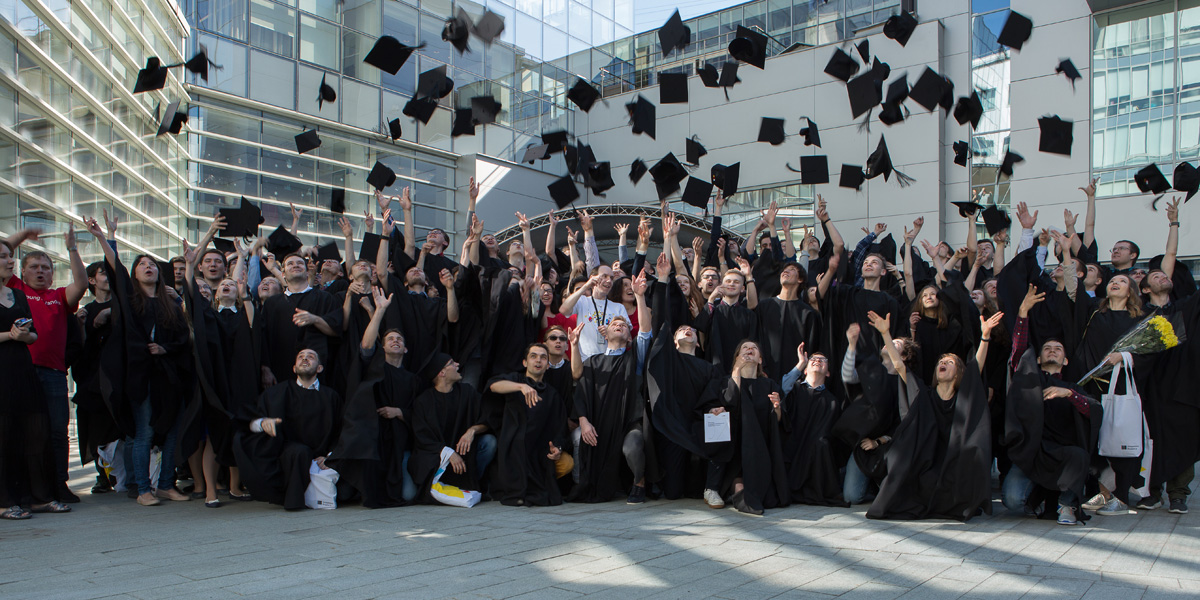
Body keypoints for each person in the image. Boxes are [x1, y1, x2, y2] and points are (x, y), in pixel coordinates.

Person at [87, 217, 193, 506]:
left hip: (168, 375)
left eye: (152, 264)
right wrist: (106, 237)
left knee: (172, 431)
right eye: (142, 264)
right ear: (134, 273)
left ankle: (166, 484)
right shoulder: (131, 301)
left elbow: (182, 338)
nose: (148, 267)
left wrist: (165, 349)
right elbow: (116, 271)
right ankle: (143, 489)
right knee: (144, 431)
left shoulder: (170, 305)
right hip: (141, 376)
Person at [866, 310, 1001, 521]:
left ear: (959, 373)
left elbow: (976, 368)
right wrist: (885, 334)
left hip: (954, 459)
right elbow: (899, 366)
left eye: (950, 362)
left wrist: (985, 337)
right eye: (940, 362)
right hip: (926, 461)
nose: (942, 364)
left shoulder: (963, 397)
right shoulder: (924, 393)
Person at [3, 224, 90, 502]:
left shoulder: (59, 297)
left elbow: (82, 284)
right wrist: (23, 235)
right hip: (22, 373)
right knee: (26, 432)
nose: (40, 271)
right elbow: (3, 251)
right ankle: (28, 488)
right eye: (34, 267)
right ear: (22, 272)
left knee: (57, 432)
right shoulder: (15, 290)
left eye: (46, 268)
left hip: (53, 375)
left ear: (53, 273)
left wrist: (72, 248)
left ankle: (59, 484)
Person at [1002, 285, 1099, 525]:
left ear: (1065, 360)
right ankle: (1039, 497)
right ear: (1038, 359)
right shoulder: (1028, 378)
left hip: (1063, 454)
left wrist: (1069, 395)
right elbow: (1018, 353)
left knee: (1079, 455)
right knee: (1013, 501)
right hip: (1032, 452)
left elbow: (1094, 411)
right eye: (1047, 349)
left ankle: (1066, 505)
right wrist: (1023, 312)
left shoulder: (1073, 387)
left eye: (1057, 349)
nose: (1052, 351)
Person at [328, 287, 421, 507]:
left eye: (399, 339)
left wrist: (400, 413)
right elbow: (367, 346)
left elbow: (421, 413)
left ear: (406, 349)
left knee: (407, 495)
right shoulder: (375, 367)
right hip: (372, 438)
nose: (395, 341)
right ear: (383, 346)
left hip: (399, 443)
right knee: (347, 493)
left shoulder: (413, 380)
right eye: (390, 339)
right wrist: (378, 311)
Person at [645, 252, 725, 504]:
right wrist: (661, 279)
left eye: (691, 329)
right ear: (674, 340)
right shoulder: (669, 359)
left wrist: (713, 410)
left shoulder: (708, 368)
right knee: (673, 492)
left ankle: (713, 487)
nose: (688, 330)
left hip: (697, 425)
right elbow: (661, 321)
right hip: (673, 428)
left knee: (722, 428)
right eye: (682, 329)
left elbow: (712, 397)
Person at [0, 240, 70, 518]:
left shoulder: (17, 296)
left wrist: (24, 335)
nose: (9, 261)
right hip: (2, 373)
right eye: (3, 256)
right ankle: (5, 501)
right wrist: (10, 335)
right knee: (4, 437)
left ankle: (39, 497)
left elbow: (33, 335)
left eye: (9, 256)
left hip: (23, 370)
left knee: (36, 433)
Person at [568, 290, 652, 504]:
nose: (620, 325)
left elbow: (644, 331)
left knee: (631, 447)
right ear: (605, 334)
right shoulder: (593, 362)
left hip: (629, 423)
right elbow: (580, 387)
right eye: (615, 323)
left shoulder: (635, 359)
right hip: (599, 424)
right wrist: (584, 421)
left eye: (624, 325)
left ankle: (639, 482)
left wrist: (640, 296)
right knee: (581, 440)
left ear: (629, 336)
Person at [234, 349, 342, 511]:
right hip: (290, 455)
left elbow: (341, 430)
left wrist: (331, 455)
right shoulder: (275, 394)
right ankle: (294, 501)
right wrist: (263, 423)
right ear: (294, 368)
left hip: (322, 457)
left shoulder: (331, 397)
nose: (305, 359)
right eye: (301, 357)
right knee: (300, 452)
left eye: (311, 357)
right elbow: (249, 422)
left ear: (319, 368)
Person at [486, 344, 570, 506]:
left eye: (543, 357)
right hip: (513, 447)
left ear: (548, 365)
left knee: (566, 464)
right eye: (533, 356)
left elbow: (560, 429)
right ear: (525, 362)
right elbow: (493, 386)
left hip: (539, 451)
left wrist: (557, 448)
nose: (538, 360)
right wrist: (521, 387)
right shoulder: (515, 380)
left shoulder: (553, 395)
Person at [713, 340, 790, 516]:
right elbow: (730, 401)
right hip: (736, 449)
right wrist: (737, 370)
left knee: (769, 498)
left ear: (760, 359)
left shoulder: (770, 385)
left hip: (761, 450)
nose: (749, 350)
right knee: (741, 486)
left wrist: (777, 408)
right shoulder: (725, 381)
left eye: (754, 348)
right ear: (737, 357)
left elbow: (779, 422)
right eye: (744, 348)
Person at [409, 353, 494, 504]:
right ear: (441, 372)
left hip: (465, 457)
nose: (457, 365)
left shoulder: (467, 392)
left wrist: (472, 431)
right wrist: (448, 452)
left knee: (489, 442)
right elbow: (422, 438)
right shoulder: (423, 402)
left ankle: (476, 482)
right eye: (452, 363)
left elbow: (487, 418)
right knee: (407, 494)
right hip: (437, 459)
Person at [72, 261, 122, 494]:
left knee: (118, 426)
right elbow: (80, 347)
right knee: (95, 426)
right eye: (103, 273)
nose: (107, 277)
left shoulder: (123, 304)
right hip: (92, 378)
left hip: (118, 374)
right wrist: (81, 325)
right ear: (91, 280)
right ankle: (103, 475)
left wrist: (111, 312)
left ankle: (123, 474)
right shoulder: (86, 310)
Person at [258, 253, 341, 388]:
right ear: (283, 274)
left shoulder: (325, 298)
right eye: (290, 264)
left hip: (315, 375)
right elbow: (264, 339)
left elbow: (336, 331)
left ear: (307, 272)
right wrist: (265, 368)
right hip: (279, 374)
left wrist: (314, 319)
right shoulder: (271, 303)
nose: (295, 265)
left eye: (300, 263)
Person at [779, 345, 848, 507]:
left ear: (828, 372)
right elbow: (782, 389)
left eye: (822, 360)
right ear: (805, 370)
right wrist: (800, 363)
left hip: (817, 456)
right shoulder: (795, 390)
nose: (817, 361)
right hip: (792, 449)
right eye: (813, 359)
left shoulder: (832, 401)